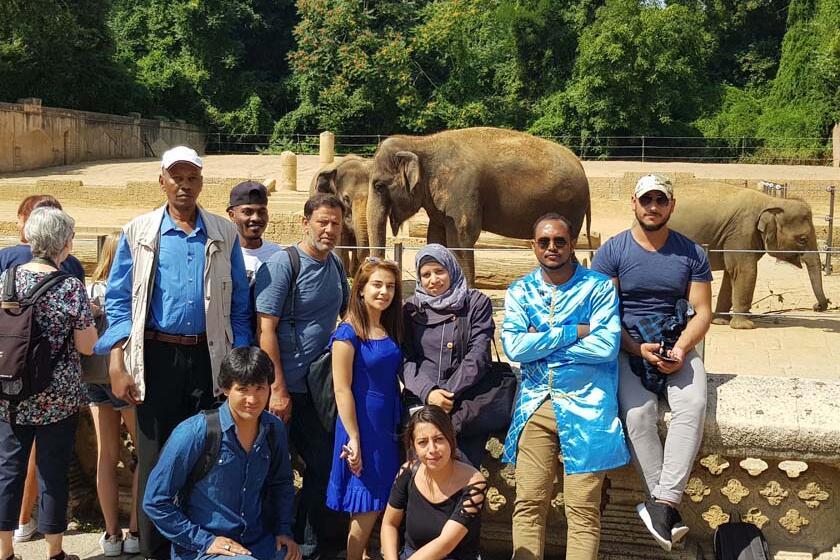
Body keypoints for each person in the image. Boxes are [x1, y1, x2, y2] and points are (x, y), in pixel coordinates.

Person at [95, 145, 252, 560]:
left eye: (191, 178)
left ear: (201, 182)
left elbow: (238, 304)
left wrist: (239, 361)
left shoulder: (224, 233)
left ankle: (201, 547)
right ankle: (154, 549)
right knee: (155, 457)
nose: (184, 185)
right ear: (162, 181)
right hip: (157, 357)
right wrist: (117, 361)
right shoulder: (138, 232)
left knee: (207, 454)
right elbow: (119, 304)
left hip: (209, 358)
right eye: (176, 178)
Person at [591, 174, 712, 552]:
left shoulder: (692, 252)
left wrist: (682, 348)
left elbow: (703, 311)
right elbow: (604, 315)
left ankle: (662, 503)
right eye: (647, 200)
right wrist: (634, 347)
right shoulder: (612, 252)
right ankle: (667, 509)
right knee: (638, 414)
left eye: (661, 200)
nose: (653, 207)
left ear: (671, 205)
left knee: (693, 404)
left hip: (678, 345)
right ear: (634, 202)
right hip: (629, 349)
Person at [502, 213, 630, 560]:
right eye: (544, 241)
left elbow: (606, 347)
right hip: (536, 405)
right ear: (533, 246)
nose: (552, 247)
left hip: (588, 408)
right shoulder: (520, 291)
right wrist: (575, 331)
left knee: (583, 510)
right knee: (528, 502)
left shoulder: (598, 288)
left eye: (560, 241)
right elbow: (514, 347)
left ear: (572, 244)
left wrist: (541, 343)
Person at [255, 193, 350, 560]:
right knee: (272, 469)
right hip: (287, 388)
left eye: (335, 223)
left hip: (320, 387)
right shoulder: (284, 265)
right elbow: (266, 330)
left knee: (322, 465)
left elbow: (346, 317)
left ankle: (307, 545)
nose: (329, 229)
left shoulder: (336, 264)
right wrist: (277, 389)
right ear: (305, 222)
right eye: (322, 222)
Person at [0, 207, 98, 560]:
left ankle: (5, 551)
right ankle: (55, 551)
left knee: (8, 470)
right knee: (52, 472)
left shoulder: (7, 279)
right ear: (65, 244)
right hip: (58, 395)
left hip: (11, 390)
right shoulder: (70, 287)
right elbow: (87, 346)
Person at [143, 347, 299, 560]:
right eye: (242, 389)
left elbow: (282, 484)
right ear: (225, 388)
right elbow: (155, 501)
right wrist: (204, 540)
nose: (252, 399)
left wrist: (283, 531)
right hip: (202, 549)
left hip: (257, 542)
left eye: (260, 388)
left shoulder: (274, 429)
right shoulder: (194, 433)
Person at [327, 257, 403, 560]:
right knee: (366, 501)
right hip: (362, 425)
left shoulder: (386, 326)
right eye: (377, 285)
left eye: (390, 286)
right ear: (360, 289)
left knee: (381, 496)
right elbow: (341, 388)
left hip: (386, 423)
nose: (384, 292)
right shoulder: (348, 332)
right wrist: (354, 436)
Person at [401, 244, 495, 467]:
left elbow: (479, 354)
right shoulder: (411, 309)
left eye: (439, 271)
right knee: (420, 469)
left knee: (464, 469)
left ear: (451, 269)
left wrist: (446, 395)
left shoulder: (476, 303)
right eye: (426, 275)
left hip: (465, 401)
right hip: (421, 400)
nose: (433, 280)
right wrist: (429, 392)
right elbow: (405, 359)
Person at [81, 232, 140, 556]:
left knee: (107, 455)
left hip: (94, 377)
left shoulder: (89, 289)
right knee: (143, 454)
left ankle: (111, 533)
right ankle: (135, 531)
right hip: (124, 376)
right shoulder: (130, 290)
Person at [380, 406, 487, 560]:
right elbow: (389, 524)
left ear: (450, 439)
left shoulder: (474, 483)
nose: (432, 449)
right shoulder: (407, 472)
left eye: (438, 439)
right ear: (414, 446)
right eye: (422, 442)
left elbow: (445, 544)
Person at [0, 195, 86, 283]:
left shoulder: (5, 257)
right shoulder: (72, 264)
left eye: (19, 219)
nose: (18, 225)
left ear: (30, 222)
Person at [226, 181, 281, 285]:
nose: (256, 218)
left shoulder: (277, 255)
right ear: (232, 215)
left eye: (262, 212)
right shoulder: (222, 255)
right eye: (247, 212)